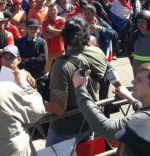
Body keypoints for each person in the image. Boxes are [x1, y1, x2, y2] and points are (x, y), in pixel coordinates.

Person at [44, 17, 109, 146]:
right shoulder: (98, 52)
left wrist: (36, 103)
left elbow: (58, 108)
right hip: (90, 121)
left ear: (64, 36)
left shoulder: (61, 65)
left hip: (65, 129)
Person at [72, 63, 150, 141]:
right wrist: (130, 98)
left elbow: (104, 127)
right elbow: (149, 111)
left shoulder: (143, 120)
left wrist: (80, 88)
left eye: (139, 80)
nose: (133, 82)